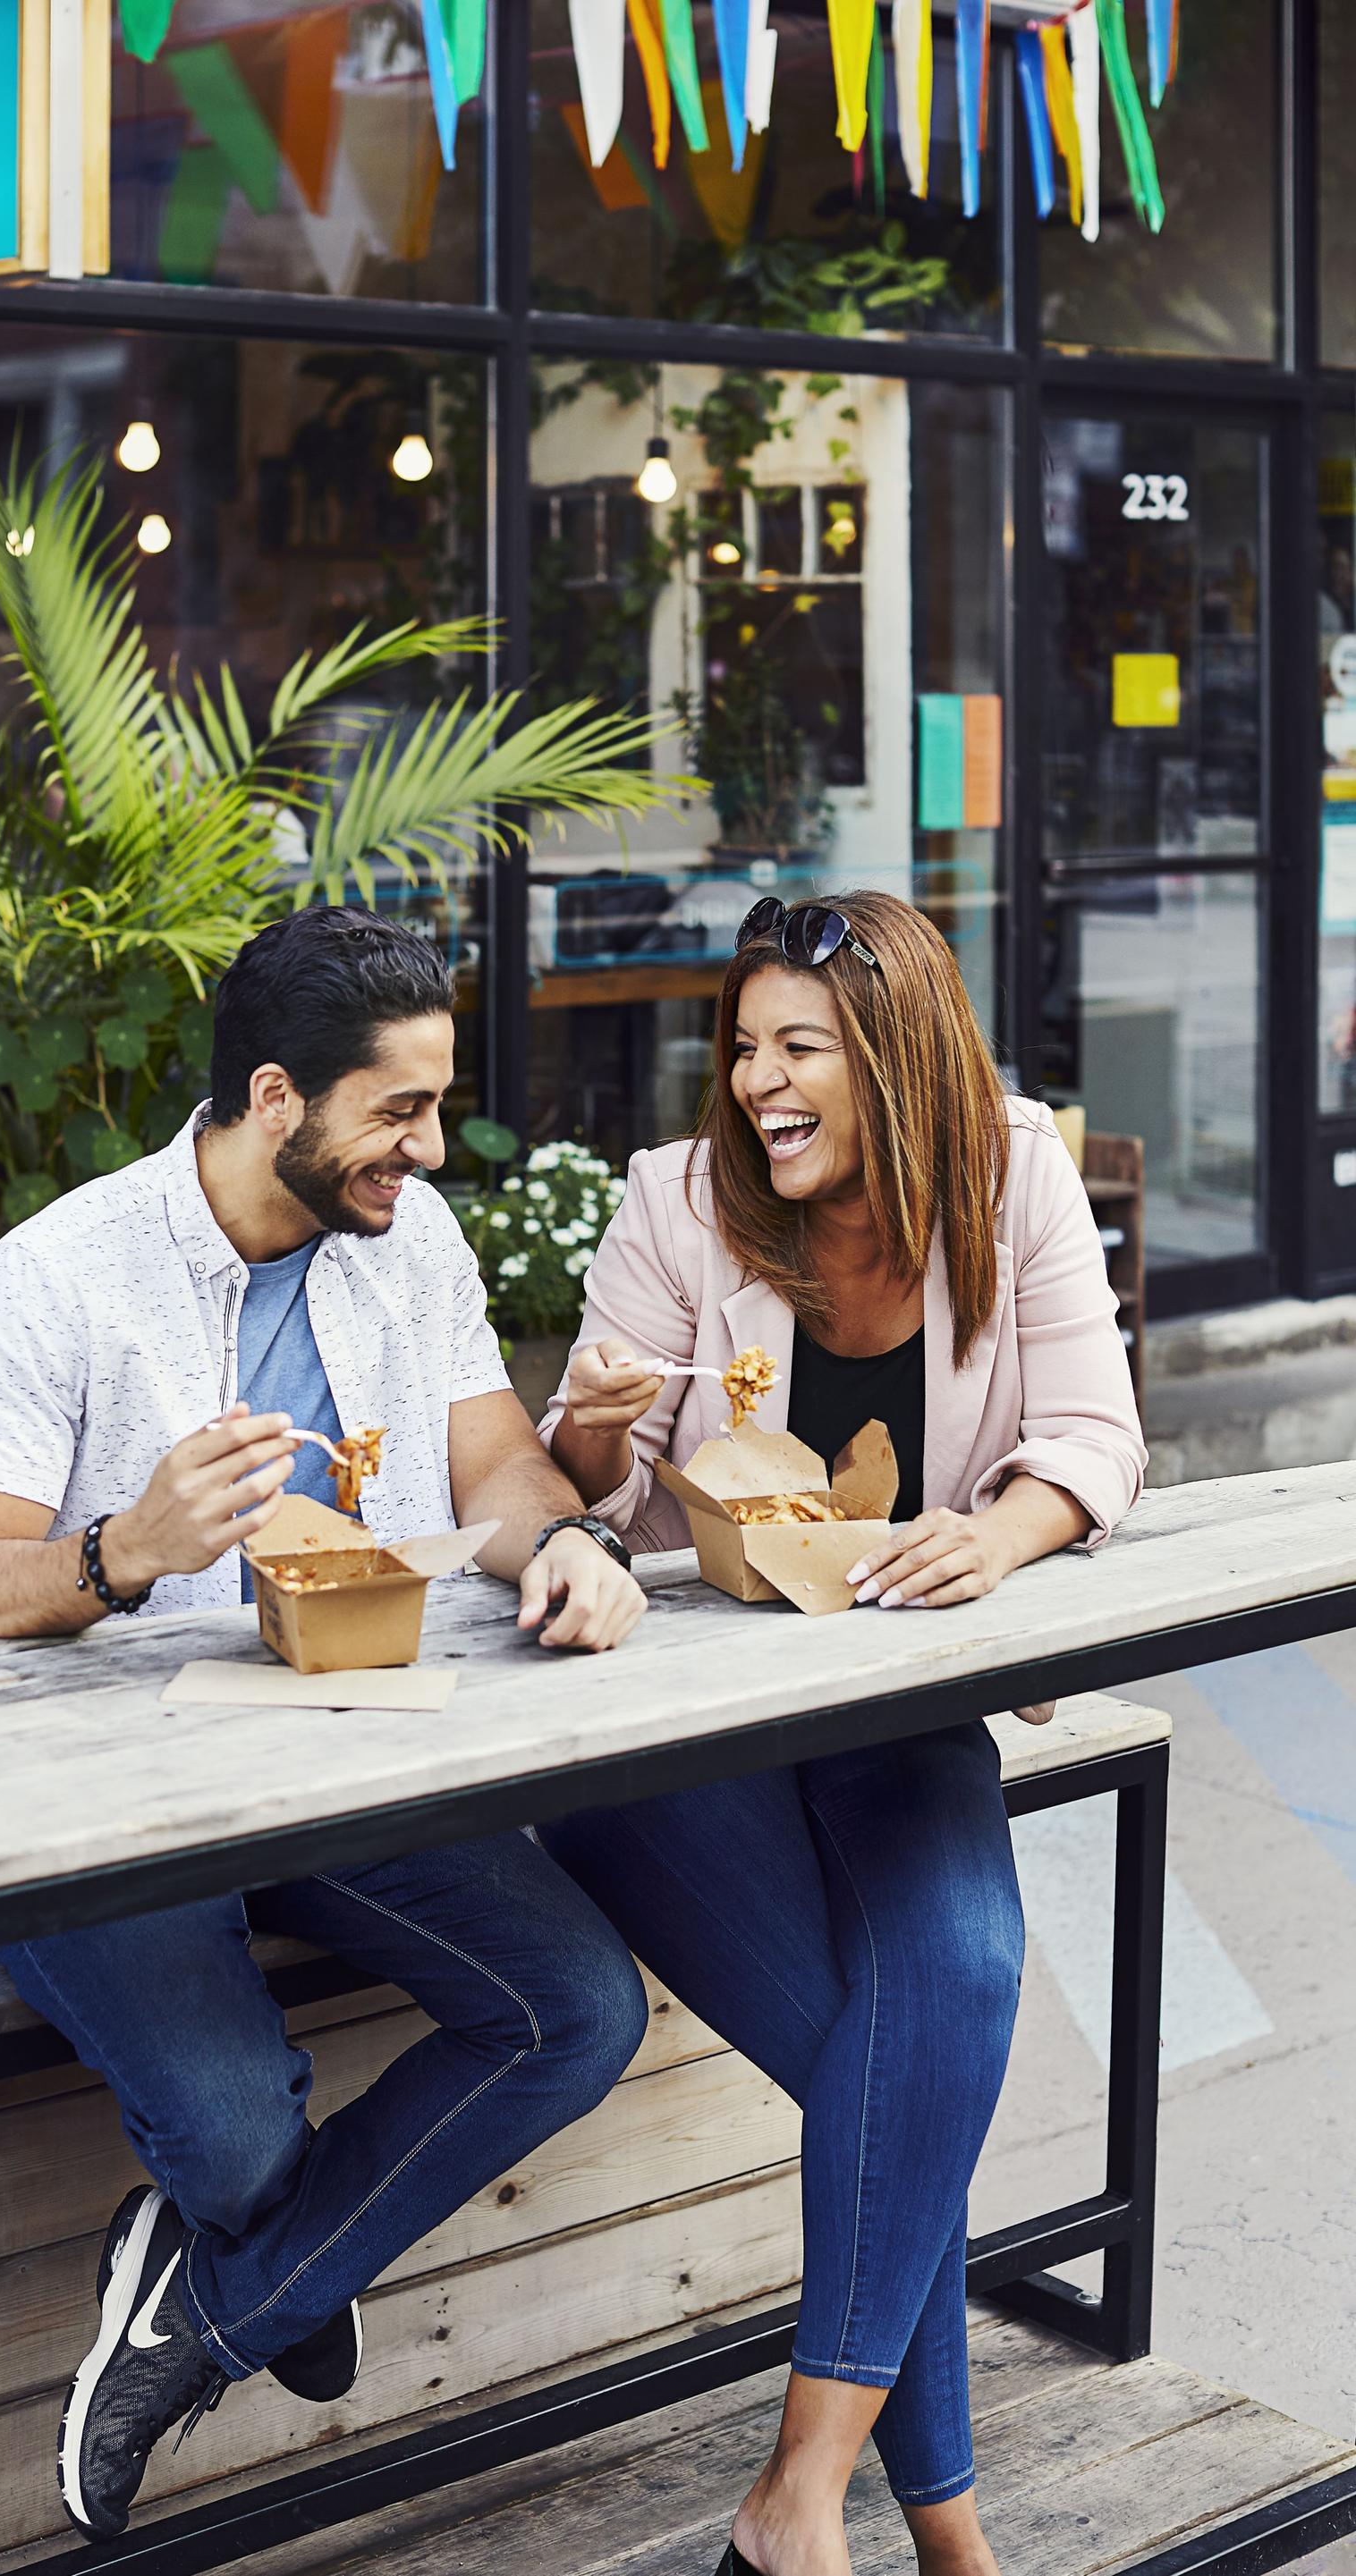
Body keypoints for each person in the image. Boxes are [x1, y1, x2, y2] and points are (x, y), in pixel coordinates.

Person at [0, 906, 650, 2541]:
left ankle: (208, 2309)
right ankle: (280, 2264)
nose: (430, 1149)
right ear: (271, 1096)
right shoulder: (58, 1279)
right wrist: (128, 1551)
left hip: (349, 1754)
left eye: (437, 1107)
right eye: (398, 1111)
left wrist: (572, 1542)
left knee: (579, 2006)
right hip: (90, 1800)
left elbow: (498, 1469)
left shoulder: (411, 1246)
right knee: (237, 2120)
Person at [540, 891, 1146, 2576]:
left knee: (942, 1995)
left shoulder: (1012, 1178)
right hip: (673, 1751)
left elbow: (1098, 1438)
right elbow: (591, 1489)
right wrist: (587, 1444)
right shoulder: (678, 1203)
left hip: (896, 1706)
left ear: (894, 1054)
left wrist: (1004, 1533)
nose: (755, 1085)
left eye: (798, 1047)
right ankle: (946, 2535)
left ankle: (800, 2510)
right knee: (907, 2092)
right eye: (743, 1048)